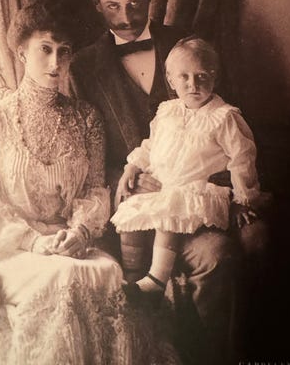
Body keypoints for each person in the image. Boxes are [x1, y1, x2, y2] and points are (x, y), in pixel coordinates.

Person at [0, 0, 167, 365]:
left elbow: (95, 191)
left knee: (105, 272)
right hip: (15, 249)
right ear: (22, 52)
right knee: (63, 279)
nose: (55, 63)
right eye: (45, 49)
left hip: (73, 245)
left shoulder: (87, 119)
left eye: (64, 51)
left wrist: (81, 233)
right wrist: (35, 241)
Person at [70, 0, 244, 364]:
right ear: (96, 5)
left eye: (134, 4)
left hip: (194, 203)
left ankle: (204, 358)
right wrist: (126, 177)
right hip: (133, 208)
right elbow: (86, 153)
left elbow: (231, 129)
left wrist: (215, 183)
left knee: (216, 255)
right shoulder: (83, 66)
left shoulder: (189, 45)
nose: (125, 17)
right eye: (112, 7)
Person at [111, 38, 264, 302]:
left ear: (214, 77)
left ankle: (156, 280)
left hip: (196, 193)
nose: (193, 84)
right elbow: (150, 145)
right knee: (130, 214)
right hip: (163, 188)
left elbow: (242, 158)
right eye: (184, 76)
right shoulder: (167, 111)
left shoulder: (224, 117)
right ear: (171, 80)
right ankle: (132, 278)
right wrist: (132, 167)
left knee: (170, 211)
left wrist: (242, 199)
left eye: (201, 76)